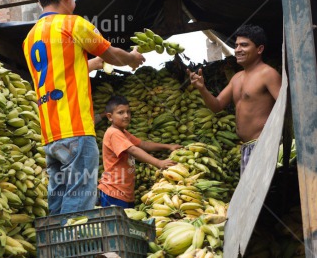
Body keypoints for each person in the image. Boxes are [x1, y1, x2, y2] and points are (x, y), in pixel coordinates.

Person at [22, 0, 146, 215]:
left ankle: (57, 250)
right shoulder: (73, 24)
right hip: (77, 132)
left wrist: (88, 65)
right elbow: (111, 54)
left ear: (40, 2)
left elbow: (55, 75)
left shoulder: (30, 38)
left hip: (50, 136)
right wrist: (131, 58)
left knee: (57, 205)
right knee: (78, 206)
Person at [187, 24, 281, 174]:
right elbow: (216, 106)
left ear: (259, 49)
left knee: (267, 195)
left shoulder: (268, 74)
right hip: (246, 147)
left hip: (265, 146)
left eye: (244, 45)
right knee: (252, 196)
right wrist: (201, 88)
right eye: (236, 45)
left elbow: (286, 108)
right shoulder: (237, 78)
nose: (237, 49)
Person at [98, 96, 181, 208]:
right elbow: (133, 149)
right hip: (114, 192)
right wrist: (158, 163)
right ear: (110, 117)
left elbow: (142, 144)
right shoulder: (113, 133)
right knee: (117, 224)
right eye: (121, 113)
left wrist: (168, 147)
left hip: (125, 192)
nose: (126, 116)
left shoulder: (123, 133)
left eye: (128, 112)